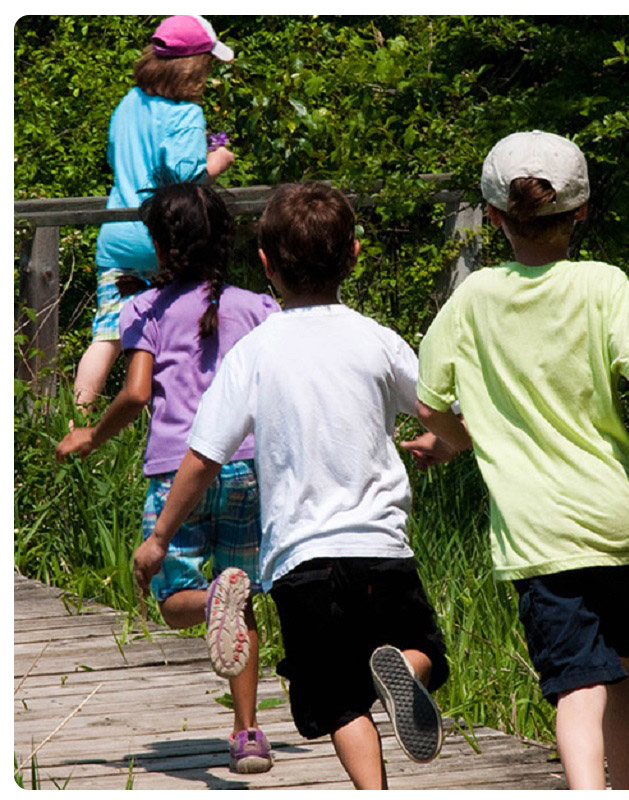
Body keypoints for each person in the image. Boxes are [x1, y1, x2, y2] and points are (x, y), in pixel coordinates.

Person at [410, 131, 629, 790]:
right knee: (619, 666)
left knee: (579, 686)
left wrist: (458, 440)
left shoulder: (474, 299)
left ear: (494, 218)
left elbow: (430, 402)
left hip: (542, 534)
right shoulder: (602, 283)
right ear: (580, 211)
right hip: (621, 524)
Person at [131, 181, 454, 789]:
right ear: (354, 255)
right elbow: (439, 414)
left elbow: (202, 457)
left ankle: (373, 790)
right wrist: (448, 444)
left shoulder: (256, 350)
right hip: (383, 549)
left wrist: (160, 537)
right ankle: (405, 671)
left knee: (336, 699)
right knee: (425, 650)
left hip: (302, 562)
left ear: (266, 266)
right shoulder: (377, 338)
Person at [57, 180, 280, 774]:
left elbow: (134, 394)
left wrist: (90, 434)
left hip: (177, 476)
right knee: (243, 605)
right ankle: (248, 734)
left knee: (173, 597)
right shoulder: (258, 307)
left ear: (161, 245)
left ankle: (212, 602)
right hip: (247, 470)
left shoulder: (145, 311)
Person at [74, 15, 236, 408]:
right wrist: (218, 161)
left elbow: (116, 157)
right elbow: (185, 179)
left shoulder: (128, 103)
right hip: (168, 239)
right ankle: (178, 415)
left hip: (118, 235)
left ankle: (74, 418)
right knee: (176, 328)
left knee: (109, 332)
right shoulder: (185, 115)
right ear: (193, 66)